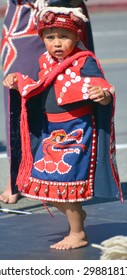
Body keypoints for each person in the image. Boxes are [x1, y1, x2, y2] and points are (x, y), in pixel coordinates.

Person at [3, 4, 123, 250]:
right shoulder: (45, 60)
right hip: (52, 133)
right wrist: (19, 80)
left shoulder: (83, 61)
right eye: (50, 37)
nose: (56, 43)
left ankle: (77, 232)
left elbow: (101, 85)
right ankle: (76, 220)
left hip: (76, 134)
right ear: (42, 39)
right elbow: (39, 86)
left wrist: (103, 95)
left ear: (77, 37)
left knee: (64, 186)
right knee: (38, 184)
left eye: (64, 37)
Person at [0, 0, 94, 204]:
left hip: (67, 8)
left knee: (74, 90)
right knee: (19, 92)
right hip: (26, 16)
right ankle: (18, 173)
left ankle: (71, 174)